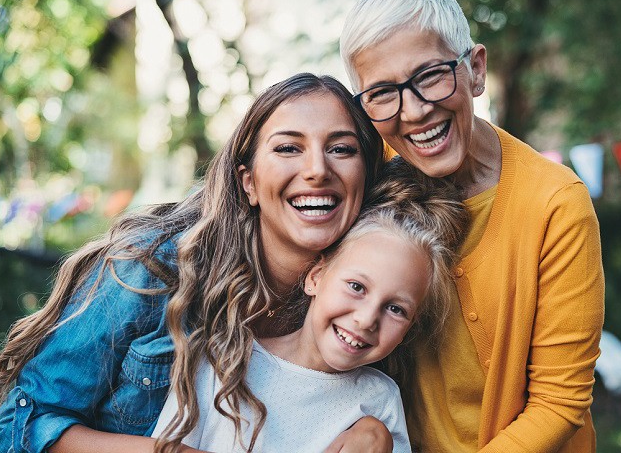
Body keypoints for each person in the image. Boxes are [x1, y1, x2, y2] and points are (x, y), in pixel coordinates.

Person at [0, 73, 391, 453]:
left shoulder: (370, 298)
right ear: (248, 181)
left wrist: (371, 428)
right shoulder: (152, 268)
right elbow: (17, 425)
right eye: (288, 148)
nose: (318, 170)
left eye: (341, 149)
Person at [340, 0, 605, 453]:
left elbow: (559, 403)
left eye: (429, 76)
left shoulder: (554, 204)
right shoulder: (365, 177)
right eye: (383, 92)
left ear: (475, 70)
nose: (415, 111)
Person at [151, 158, 470, 452]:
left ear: (410, 327)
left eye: (396, 309)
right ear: (316, 277)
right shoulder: (224, 359)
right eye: (357, 287)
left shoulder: (379, 402)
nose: (366, 319)